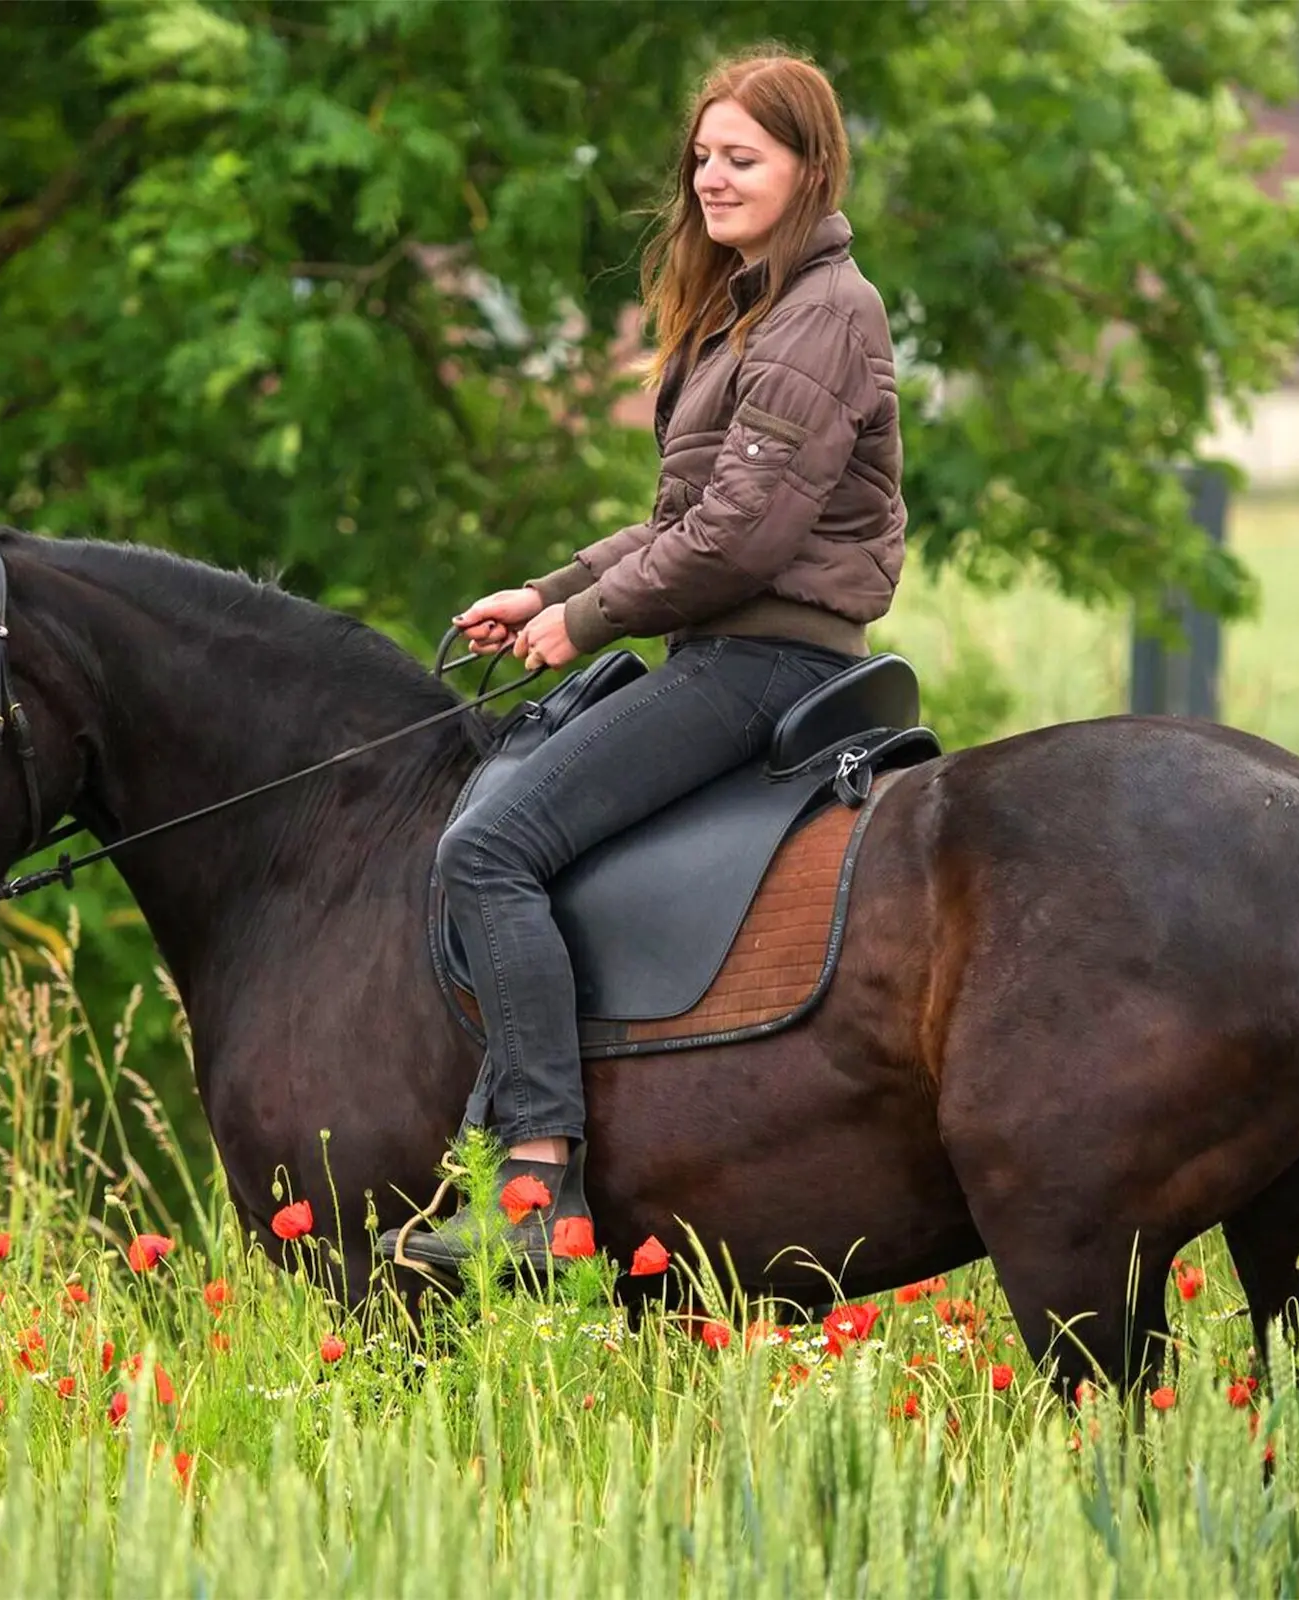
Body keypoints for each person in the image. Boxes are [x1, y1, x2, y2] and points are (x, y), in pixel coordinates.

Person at [377, 48, 908, 1273]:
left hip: (764, 660)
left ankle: (537, 1184)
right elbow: (685, 518)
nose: (714, 179)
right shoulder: (749, 305)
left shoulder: (827, 313)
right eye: (705, 158)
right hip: (722, 635)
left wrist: (591, 622)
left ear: (809, 166)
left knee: (490, 847)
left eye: (744, 158)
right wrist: (553, 590)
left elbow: (744, 535)